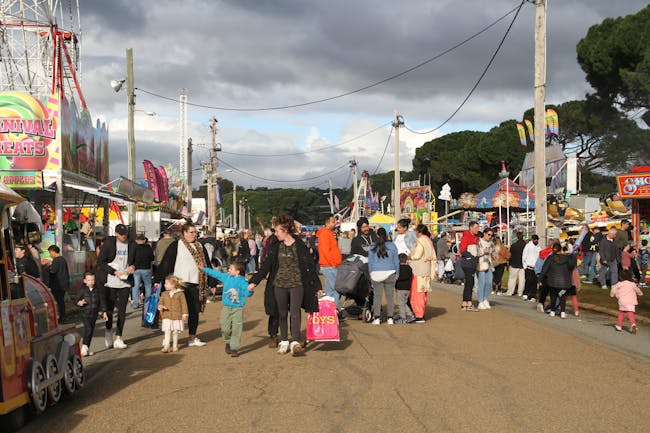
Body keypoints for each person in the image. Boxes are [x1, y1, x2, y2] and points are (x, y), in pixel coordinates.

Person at [248, 214, 321, 356]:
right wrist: (254, 282)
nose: (275, 234)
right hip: (279, 284)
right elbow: (266, 266)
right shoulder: (275, 246)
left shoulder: (299, 245)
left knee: (294, 313)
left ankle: (294, 341)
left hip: (297, 284)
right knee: (281, 313)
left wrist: (317, 287)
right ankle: (284, 340)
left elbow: (310, 267)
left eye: (277, 231)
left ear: (285, 230)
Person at [155, 221, 215, 347]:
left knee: (194, 311)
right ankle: (168, 337)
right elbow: (166, 263)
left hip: (196, 283)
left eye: (195, 232)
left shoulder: (200, 245)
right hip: (180, 284)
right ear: (184, 233)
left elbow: (207, 264)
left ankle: (192, 337)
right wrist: (157, 279)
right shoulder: (176, 245)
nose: (194, 235)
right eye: (191, 232)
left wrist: (212, 281)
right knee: (173, 311)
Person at [202, 261, 253, 357]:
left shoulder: (243, 281)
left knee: (236, 328)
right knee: (225, 327)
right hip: (226, 307)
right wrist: (204, 269)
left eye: (231, 269)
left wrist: (250, 290)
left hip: (237, 309)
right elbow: (216, 273)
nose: (228, 270)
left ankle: (234, 348)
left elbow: (247, 293)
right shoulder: (226, 277)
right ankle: (227, 341)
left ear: (237, 271)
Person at [96, 224, 135, 349]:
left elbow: (136, 261)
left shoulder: (132, 244)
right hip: (110, 281)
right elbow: (100, 262)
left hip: (125, 281)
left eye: (125, 234)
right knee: (110, 309)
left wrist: (133, 267)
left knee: (122, 310)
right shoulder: (108, 244)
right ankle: (108, 331)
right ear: (116, 234)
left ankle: (119, 337)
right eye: (121, 234)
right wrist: (113, 271)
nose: (124, 236)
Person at [368, 227, 400, 325]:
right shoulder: (392, 245)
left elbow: (370, 262)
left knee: (377, 297)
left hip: (376, 273)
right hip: (390, 272)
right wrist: (397, 273)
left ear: (377, 235)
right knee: (390, 297)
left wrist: (370, 273)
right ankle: (390, 318)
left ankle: (377, 318)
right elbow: (396, 261)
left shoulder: (372, 246)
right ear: (386, 235)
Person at [539, 241, 576, 319]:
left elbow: (544, 269)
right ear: (561, 249)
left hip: (552, 282)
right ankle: (563, 312)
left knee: (553, 296)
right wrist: (571, 254)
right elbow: (572, 266)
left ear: (552, 250)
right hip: (564, 283)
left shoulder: (550, 258)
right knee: (562, 296)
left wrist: (540, 279)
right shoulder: (566, 258)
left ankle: (552, 311)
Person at [409, 224, 437, 322]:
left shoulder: (421, 240)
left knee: (417, 293)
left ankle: (419, 314)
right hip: (427, 269)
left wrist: (409, 256)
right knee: (423, 293)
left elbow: (417, 255)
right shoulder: (429, 240)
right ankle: (421, 313)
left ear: (419, 232)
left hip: (419, 270)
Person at [76, 272, 104, 356]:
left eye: (92, 280)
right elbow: (76, 300)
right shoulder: (82, 290)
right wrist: (79, 302)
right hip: (84, 313)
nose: (91, 282)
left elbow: (101, 301)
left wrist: (102, 310)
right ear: (85, 281)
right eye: (88, 280)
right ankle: (84, 348)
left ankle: (86, 348)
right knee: (88, 329)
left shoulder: (97, 290)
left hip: (94, 314)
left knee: (91, 331)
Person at [316, 215, 343, 308]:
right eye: (333, 222)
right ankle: (333, 312)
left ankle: (328, 311)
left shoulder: (328, 233)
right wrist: (333, 263)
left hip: (329, 265)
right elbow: (325, 251)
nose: (335, 223)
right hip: (329, 265)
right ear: (327, 223)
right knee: (336, 289)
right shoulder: (325, 234)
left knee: (330, 291)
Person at [158, 275, 189, 353]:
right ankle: (166, 346)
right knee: (167, 331)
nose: (165, 285)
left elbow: (184, 304)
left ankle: (175, 346)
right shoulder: (164, 294)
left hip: (177, 316)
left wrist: (184, 314)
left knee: (175, 331)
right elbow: (160, 302)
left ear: (173, 285)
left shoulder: (180, 294)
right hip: (167, 315)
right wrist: (160, 306)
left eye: (166, 283)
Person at [610, 270, 643, 334]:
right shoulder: (632, 284)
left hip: (623, 301)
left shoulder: (619, 284)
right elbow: (638, 290)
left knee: (621, 313)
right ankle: (633, 324)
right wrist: (640, 293)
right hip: (631, 301)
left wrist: (612, 295)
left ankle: (619, 326)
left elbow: (613, 290)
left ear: (620, 277)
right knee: (630, 313)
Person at [459, 221, 479, 310]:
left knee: (469, 283)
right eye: (475, 228)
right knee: (470, 283)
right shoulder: (467, 235)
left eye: (478, 228)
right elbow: (462, 249)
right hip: (468, 263)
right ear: (471, 228)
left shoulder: (475, 237)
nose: (477, 230)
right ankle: (468, 302)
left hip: (471, 263)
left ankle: (466, 302)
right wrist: (472, 257)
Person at [47, 245, 70, 322]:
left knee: (59, 301)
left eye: (50, 252)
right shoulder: (62, 259)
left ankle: (61, 317)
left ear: (53, 252)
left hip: (58, 285)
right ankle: (62, 316)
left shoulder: (56, 260)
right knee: (60, 301)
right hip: (63, 284)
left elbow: (53, 271)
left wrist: (48, 266)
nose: (50, 254)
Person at [132, 234, 154, 309]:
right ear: (144, 240)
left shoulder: (134, 247)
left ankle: (135, 303)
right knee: (148, 285)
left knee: (135, 286)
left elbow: (131, 257)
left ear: (137, 240)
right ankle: (147, 302)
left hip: (136, 269)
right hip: (146, 269)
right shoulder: (148, 248)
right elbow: (152, 258)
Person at [476, 229, 494, 310]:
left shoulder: (491, 243)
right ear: (484, 233)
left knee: (489, 282)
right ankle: (480, 301)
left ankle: (486, 299)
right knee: (481, 283)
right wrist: (483, 251)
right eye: (488, 234)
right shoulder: (478, 242)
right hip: (480, 264)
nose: (490, 237)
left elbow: (493, 252)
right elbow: (476, 253)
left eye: (491, 235)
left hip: (489, 263)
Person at [394, 253, 414, 324]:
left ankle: (403, 318)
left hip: (400, 289)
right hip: (407, 289)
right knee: (404, 303)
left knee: (401, 304)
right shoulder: (409, 268)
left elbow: (397, 278)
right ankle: (410, 315)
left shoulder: (398, 268)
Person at [505, 232, 526, 296]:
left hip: (514, 264)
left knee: (512, 279)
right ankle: (520, 292)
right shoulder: (525, 245)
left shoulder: (513, 245)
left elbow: (510, 255)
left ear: (517, 237)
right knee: (522, 279)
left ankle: (510, 292)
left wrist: (509, 263)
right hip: (522, 264)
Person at [522, 234, 541, 302]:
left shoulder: (538, 247)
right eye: (535, 239)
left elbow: (539, 256)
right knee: (528, 281)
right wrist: (525, 266)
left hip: (536, 268)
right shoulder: (528, 246)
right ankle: (526, 294)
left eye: (537, 239)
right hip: (529, 267)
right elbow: (524, 256)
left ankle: (533, 295)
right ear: (532, 240)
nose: (536, 241)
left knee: (534, 282)